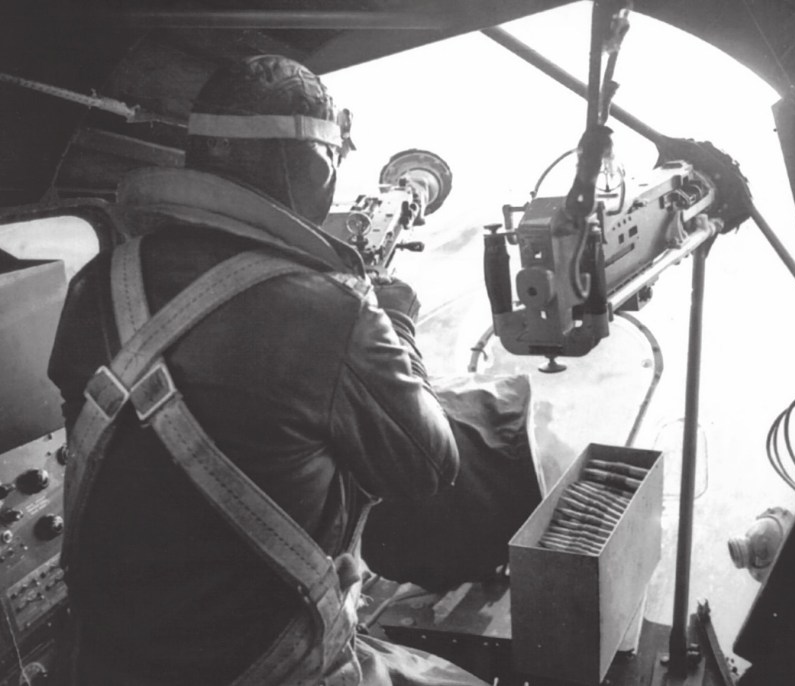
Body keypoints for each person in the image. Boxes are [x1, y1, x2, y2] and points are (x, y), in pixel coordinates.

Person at [49, 55, 485, 686]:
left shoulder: (98, 283)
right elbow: (428, 468)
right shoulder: (333, 311)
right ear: (311, 167)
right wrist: (397, 318)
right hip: (262, 666)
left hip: (108, 660)